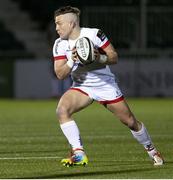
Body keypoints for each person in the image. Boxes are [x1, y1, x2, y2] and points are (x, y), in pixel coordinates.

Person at [52, 6, 164, 167]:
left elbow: (113, 57)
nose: (56, 28)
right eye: (55, 24)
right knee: (62, 110)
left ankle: (152, 150)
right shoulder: (59, 44)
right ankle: (79, 154)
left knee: (130, 121)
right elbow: (60, 74)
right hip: (82, 86)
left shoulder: (94, 34)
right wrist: (72, 60)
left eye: (59, 23)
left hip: (105, 86)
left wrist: (99, 57)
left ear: (71, 23)